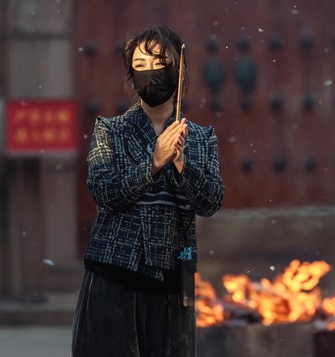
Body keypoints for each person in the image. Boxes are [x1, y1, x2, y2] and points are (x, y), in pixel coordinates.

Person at [71, 25, 225, 356]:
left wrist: (183, 165)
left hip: (175, 277)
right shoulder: (110, 131)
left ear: (178, 70)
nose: (150, 73)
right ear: (130, 75)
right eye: (139, 66)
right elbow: (105, 193)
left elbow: (211, 201)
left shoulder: (200, 137)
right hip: (115, 276)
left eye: (160, 63)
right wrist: (153, 163)